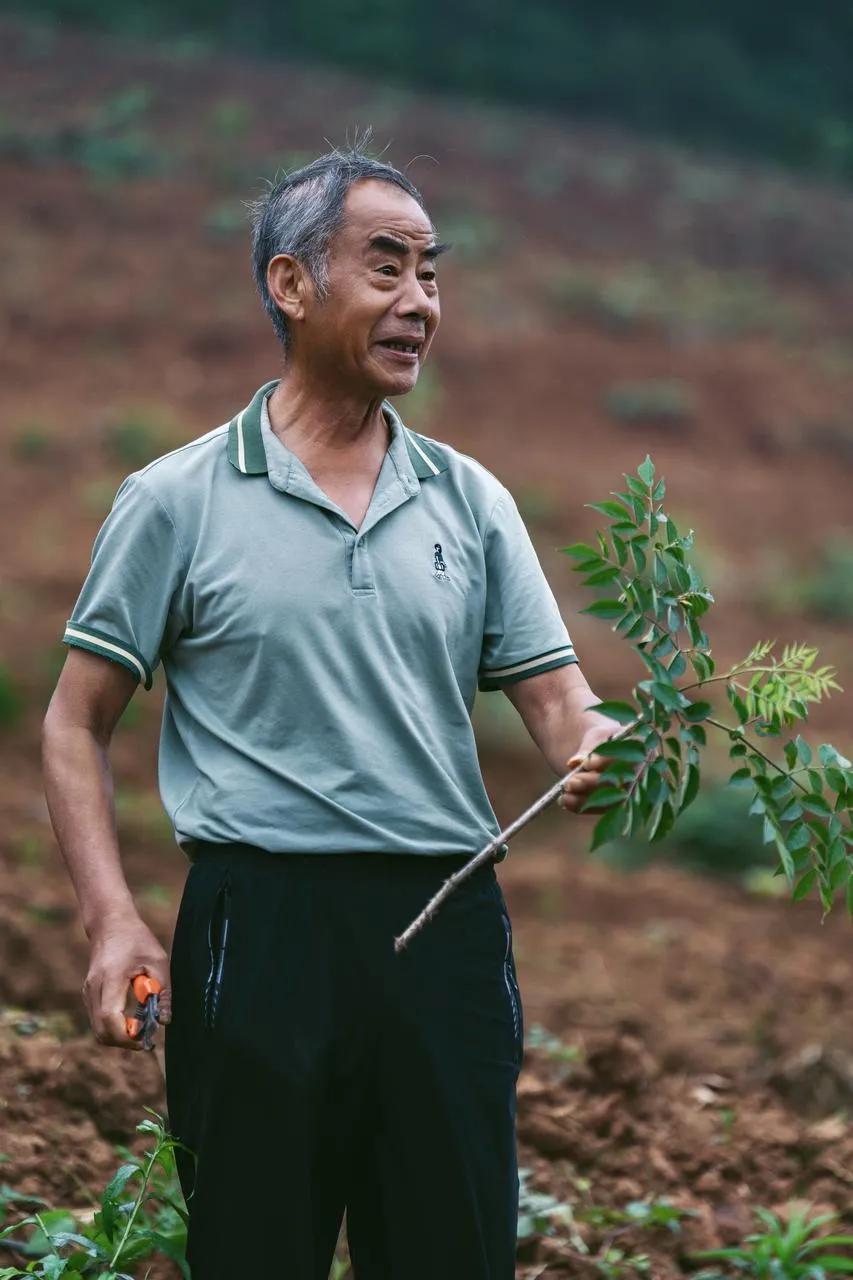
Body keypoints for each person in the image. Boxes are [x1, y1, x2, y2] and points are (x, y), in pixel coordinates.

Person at [41, 133, 621, 1279]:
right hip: (258, 929)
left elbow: (559, 704)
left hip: (444, 928)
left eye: (432, 273)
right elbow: (73, 721)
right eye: (387, 266)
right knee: (257, 1246)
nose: (421, 301)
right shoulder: (176, 499)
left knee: (450, 1251)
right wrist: (110, 916)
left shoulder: (470, 497)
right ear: (291, 284)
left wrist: (595, 742)